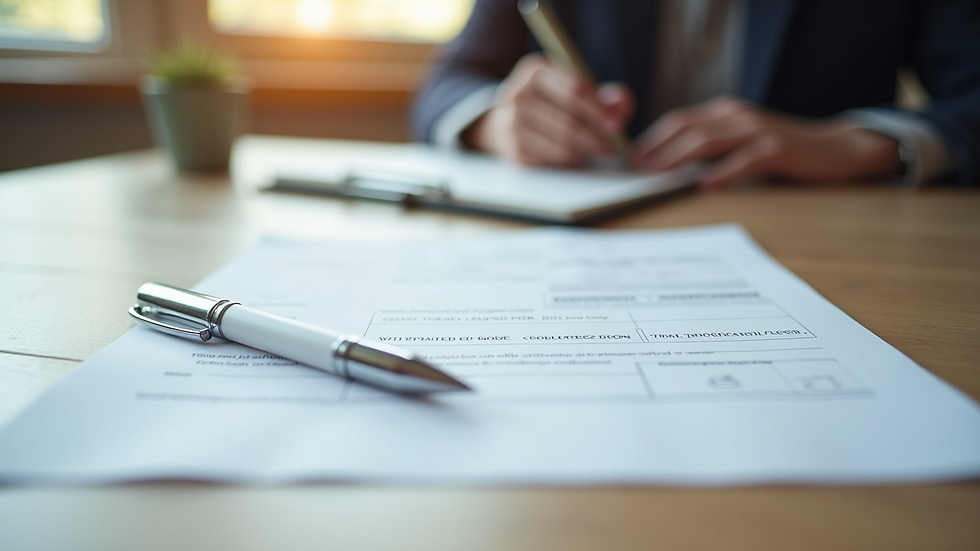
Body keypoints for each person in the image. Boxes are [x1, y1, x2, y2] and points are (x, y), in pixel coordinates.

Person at [411, 0, 980, 187]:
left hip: (828, 244)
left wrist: (866, 144)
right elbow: (450, 81)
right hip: (596, 239)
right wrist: (498, 121)